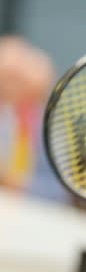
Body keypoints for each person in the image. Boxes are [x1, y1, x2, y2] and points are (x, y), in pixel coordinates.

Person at [0, 35, 56, 193]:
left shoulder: (48, 126)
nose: (9, 87)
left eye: (16, 79)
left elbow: (56, 191)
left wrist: (17, 184)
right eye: (5, 77)